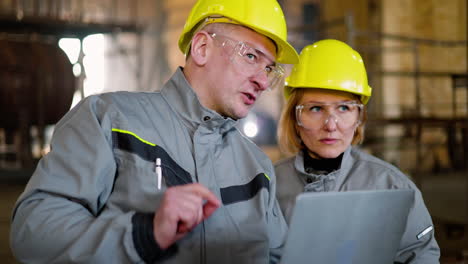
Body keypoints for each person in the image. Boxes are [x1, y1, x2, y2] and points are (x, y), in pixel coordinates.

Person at [10, 0, 299, 263]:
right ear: (201, 48)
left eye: (270, 69)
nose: (262, 81)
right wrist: (144, 234)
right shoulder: (109, 120)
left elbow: (279, 256)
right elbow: (34, 232)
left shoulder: (258, 167)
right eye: (251, 56)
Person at [275, 39, 440, 263]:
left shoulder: (392, 186)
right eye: (315, 108)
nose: (331, 125)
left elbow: (420, 255)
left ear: (359, 118)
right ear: (295, 118)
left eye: (344, 108)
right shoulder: (268, 187)